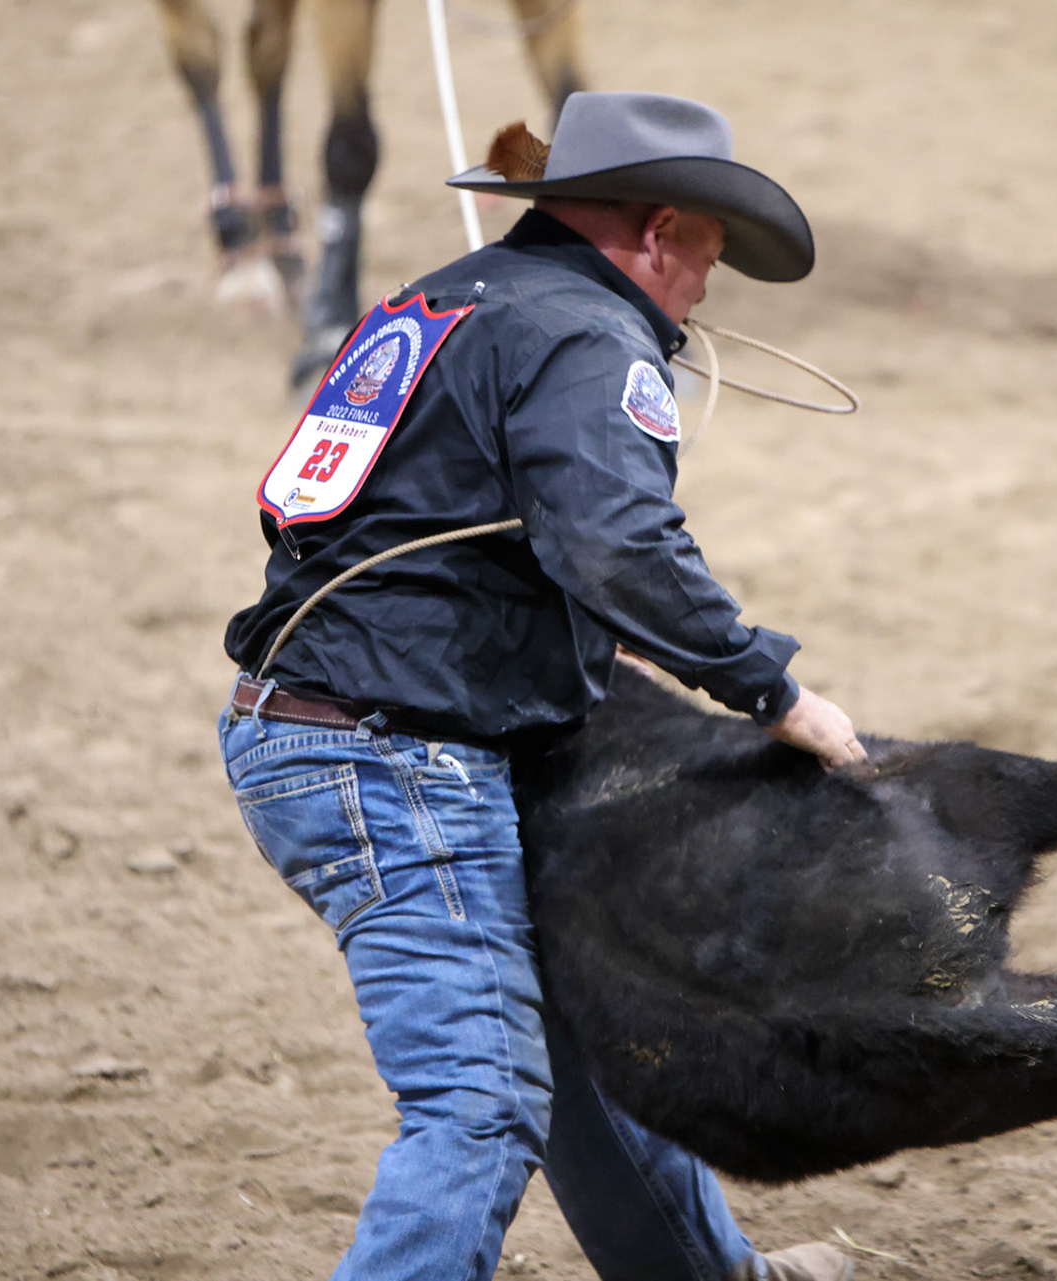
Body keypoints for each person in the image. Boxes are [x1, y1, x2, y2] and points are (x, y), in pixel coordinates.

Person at [218, 92, 860, 1281]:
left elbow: (354, 513)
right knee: (481, 1099)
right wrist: (772, 692)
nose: (710, 287)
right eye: (710, 253)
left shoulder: (435, 303)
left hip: (325, 729)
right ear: (661, 228)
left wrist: (550, 631)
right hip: (395, 757)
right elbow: (619, 544)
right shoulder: (584, 338)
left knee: (580, 1041)